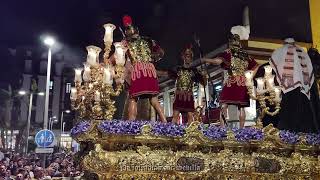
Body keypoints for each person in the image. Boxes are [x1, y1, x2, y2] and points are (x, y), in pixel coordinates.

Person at [204, 27, 258, 128]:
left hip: (231, 81)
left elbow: (217, 62)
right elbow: (256, 66)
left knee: (224, 105)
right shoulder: (246, 55)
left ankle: (222, 128)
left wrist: (205, 59)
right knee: (241, 108)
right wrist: (250, 77)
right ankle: (241, 130)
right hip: (242, 82)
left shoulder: (229, 52)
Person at [121, 15, 166, 122]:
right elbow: (161, 53)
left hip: (138, 70)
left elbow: (116, 56)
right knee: (154, 99)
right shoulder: (149, 40)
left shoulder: (125, 43)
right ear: (137, 30)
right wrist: (152, 59)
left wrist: (107, 62)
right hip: (150, 70)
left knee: (133, 98)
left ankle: (131, 123)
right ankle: (165, 122)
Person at [270, 38, 320, 133]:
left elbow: (275, 64)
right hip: (303, 90)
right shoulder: (302, 52)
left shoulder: (280, 51)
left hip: (289, 91)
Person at [170, 44, 206, 124]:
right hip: (179, 95)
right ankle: (171, 132)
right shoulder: (177, 69)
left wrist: (204, 75)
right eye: (187, 55)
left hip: (189, 96)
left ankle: (190, 133)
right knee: (175, 115)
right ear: (183, 57)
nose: (188, 58)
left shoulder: (194, 71)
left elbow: (204, 83)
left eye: (190, 56)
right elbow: (167, 73)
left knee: (190, 115)